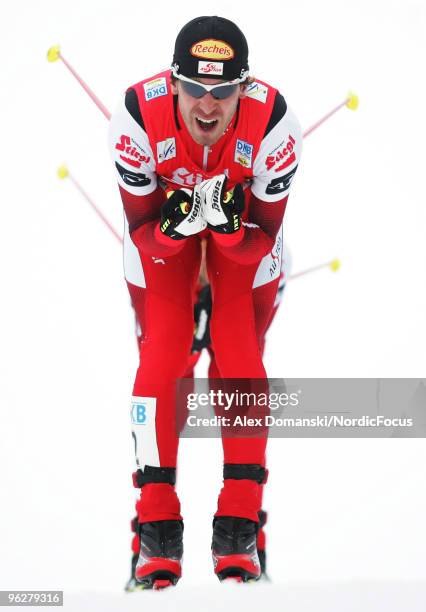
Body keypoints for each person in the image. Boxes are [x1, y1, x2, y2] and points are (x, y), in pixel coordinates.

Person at [108, 15, 302, 589]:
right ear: (173, 84)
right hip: (164, 248)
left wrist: (228, 230)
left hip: (241, 250)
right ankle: (155, 530)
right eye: (194, 89)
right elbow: (142, 227)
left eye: (223, 92)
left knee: (238, 353)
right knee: (163, 361)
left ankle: (241, 525)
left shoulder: (274, 122)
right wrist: (176, 226)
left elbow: (265, 237)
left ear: (245, 87)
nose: (208, 107)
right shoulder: (137, 114)